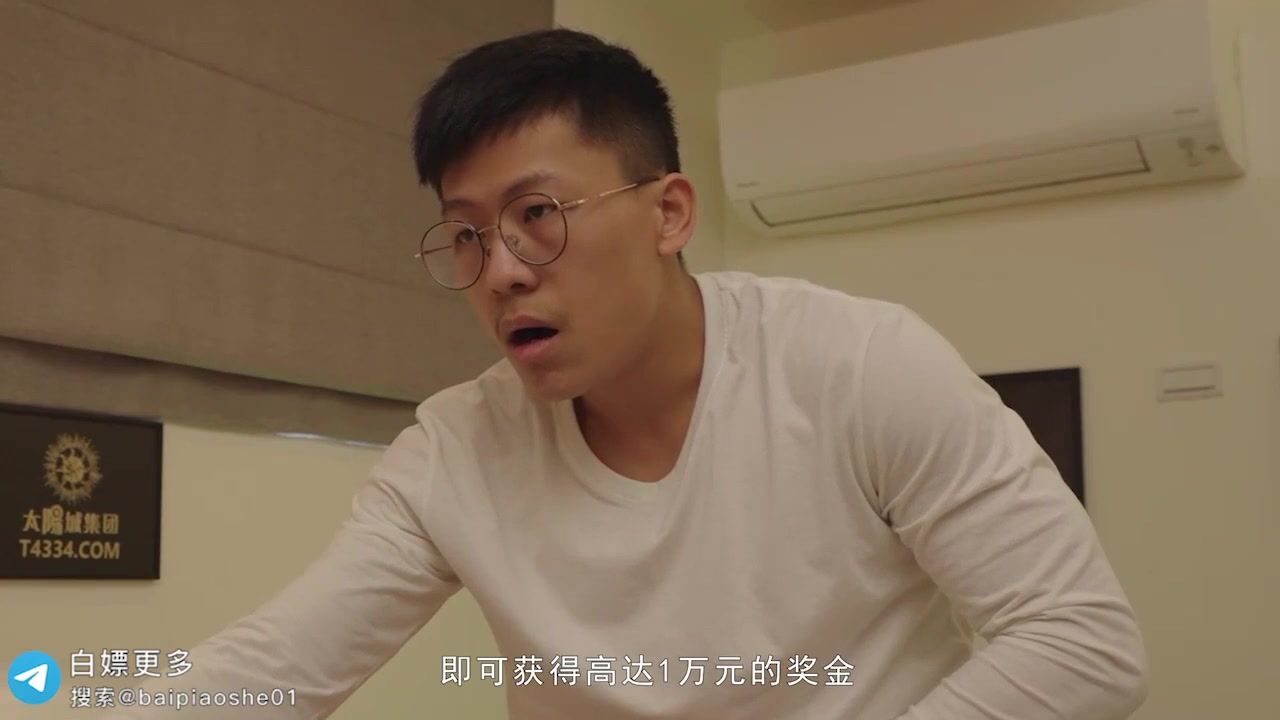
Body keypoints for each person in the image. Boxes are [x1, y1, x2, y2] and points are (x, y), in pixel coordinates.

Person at [108, 28, 1148, 719]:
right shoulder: (456, 451)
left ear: (668, 213)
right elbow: (274, 672)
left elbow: (1079, 640)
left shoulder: (859, 367)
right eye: (466, 234)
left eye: (537, 215)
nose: (501, 271)